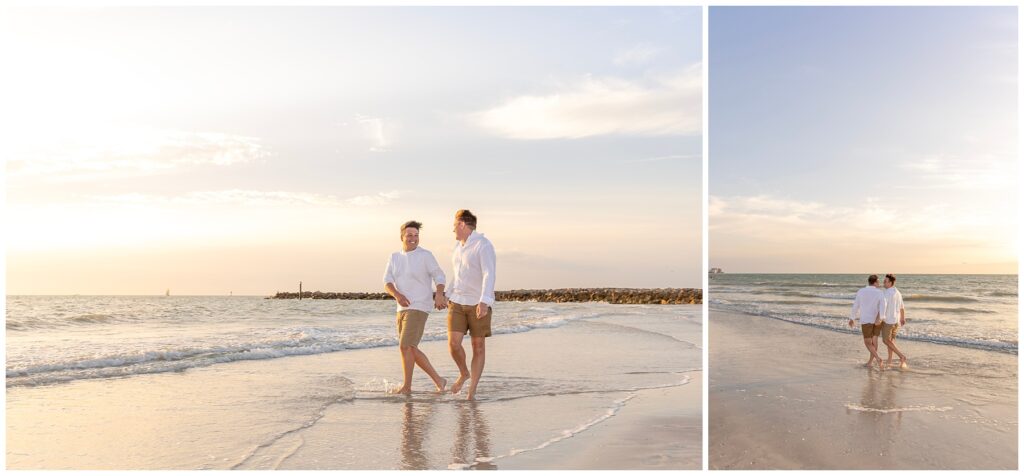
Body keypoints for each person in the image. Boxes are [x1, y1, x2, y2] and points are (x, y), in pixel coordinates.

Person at [383, 220, 449, 395]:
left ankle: (408, 386)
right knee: (409, 348)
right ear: (402, 237)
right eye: (409, 235)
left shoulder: (425, 255)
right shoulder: (394, 257)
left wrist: (440, 294)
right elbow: (387, 282)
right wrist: (398, 295)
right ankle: (438, 381)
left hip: (420, 305)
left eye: (416, 235)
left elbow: (439, 276)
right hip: (401, 307)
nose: (413, 238)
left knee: (406, 346)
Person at [446, 209, 496, 400]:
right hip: (457, 302)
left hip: (478, 303)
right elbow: (457, 275)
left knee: (478, 346)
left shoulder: (483, 245)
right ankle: (464, 372)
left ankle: (471, 390)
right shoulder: (458, 247)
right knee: (453, 344)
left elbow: (488, 274)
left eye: (454, 226)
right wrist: (447, 294)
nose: (453, 231)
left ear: (462, 224)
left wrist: (484, 301)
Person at [849, 274, 886, 370]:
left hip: (866, 320)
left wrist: (852, 318)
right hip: (877, 320)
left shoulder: (861, 291)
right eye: (878, 282)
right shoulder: (880, 292)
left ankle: (877, 359)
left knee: (867, 342)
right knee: (874, 340)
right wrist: (881, 317)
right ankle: (870, 362)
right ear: (874, 282)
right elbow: (883, 305)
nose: (879, 283)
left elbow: (856, 305)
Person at [880, 273, 908, 369]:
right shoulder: (898, 292)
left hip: (888, 321)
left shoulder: (887, 293)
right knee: (891, 341)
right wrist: (902, 318)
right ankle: (889, 360)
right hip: (896, 321)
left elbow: (883, 306)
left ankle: (901, 356)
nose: (884, 282)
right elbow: (902, 307)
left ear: (891, 283)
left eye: (886, 281)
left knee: (885, 340)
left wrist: (879, 318)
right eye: (884, 280)